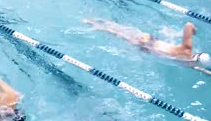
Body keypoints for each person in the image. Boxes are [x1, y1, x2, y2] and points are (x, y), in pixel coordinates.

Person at [83, 19, 211, 74]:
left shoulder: (188, 53)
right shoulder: (186, 56)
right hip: (148, 46)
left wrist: (194, 32)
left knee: (121, 32)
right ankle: (96, 25)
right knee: (120, 35)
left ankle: (97, 22)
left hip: (151, 42)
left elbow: (189, 25)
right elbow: (188, 25)